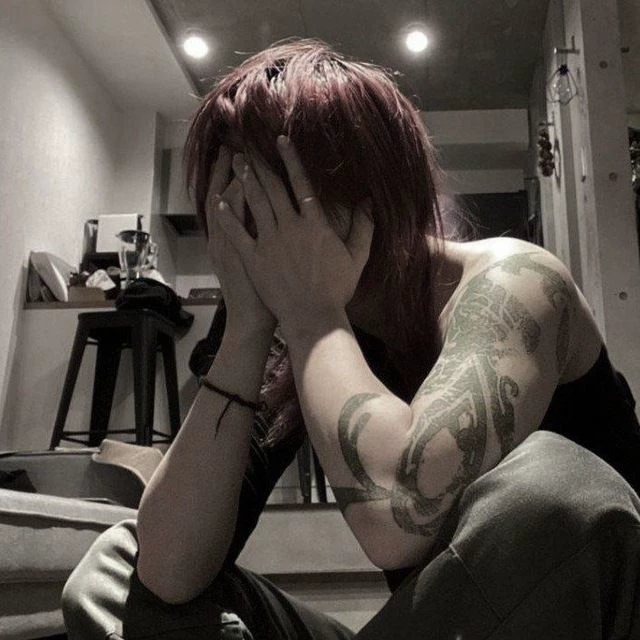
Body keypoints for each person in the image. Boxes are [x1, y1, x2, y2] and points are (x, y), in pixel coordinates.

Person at [61, 39, 640, 639]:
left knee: (554, 488)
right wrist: (248, 328)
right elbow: (168, 573)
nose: (252, 227)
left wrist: (312, 312)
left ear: (369, 193)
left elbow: (399, 515)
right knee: (117, 568)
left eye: (272, 196)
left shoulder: (515, 282)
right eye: (230, 200)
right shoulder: (289, 333)